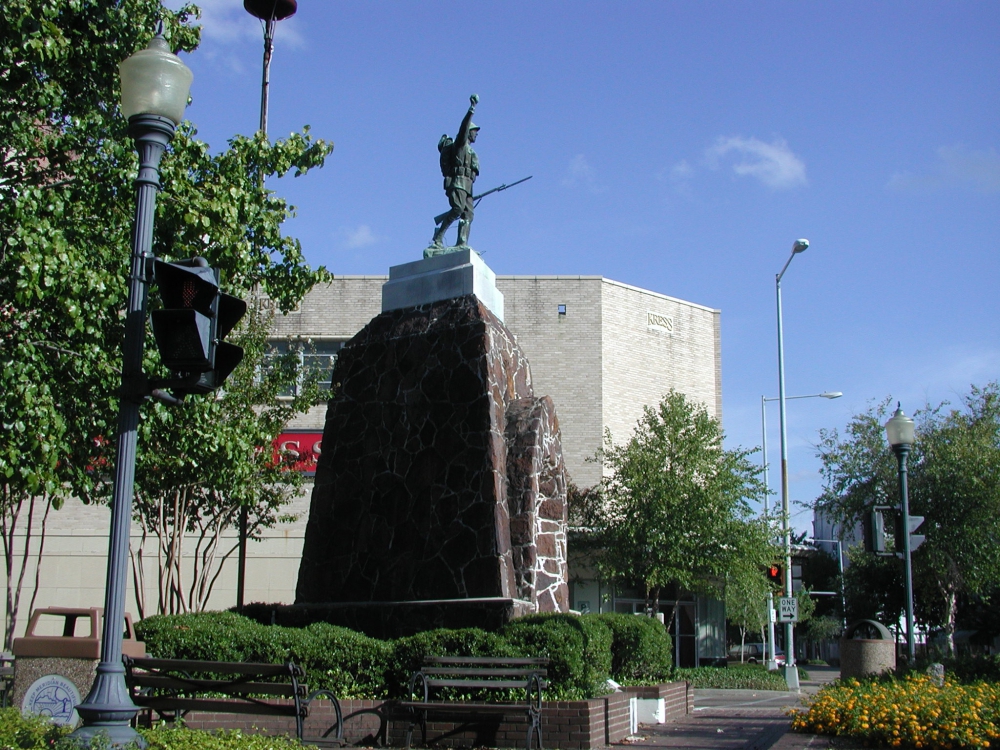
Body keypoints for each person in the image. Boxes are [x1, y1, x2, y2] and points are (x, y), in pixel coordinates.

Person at [430, 94, 480, 249]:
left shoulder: (471, 151)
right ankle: (439, 237)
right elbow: (463, 126)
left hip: (468, 186)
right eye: (474, 131)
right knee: (457, 209)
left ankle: (462, 242)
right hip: (458, 182)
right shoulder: (460, 146)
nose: (476, 133)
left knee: (468, 215)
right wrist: (471, 109)